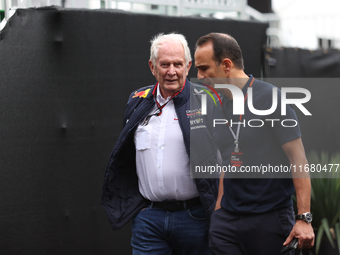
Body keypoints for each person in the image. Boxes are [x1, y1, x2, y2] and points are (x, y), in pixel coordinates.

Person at [194, 32, 315, 255]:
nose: (199, 76)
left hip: (270, 219)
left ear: (226, 64)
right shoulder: (219, 106)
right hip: (227, 223)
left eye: (204, 68)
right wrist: (219, 212)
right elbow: (227, 162)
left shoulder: (271, 98)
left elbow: (298, 159)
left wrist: (304, 218)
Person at [101, 32, 218, 255]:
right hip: (148, 218)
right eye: (164, 64)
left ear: (188, 66)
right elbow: (126, 155)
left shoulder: (208, 100)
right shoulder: (137, 100)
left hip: (195, 217)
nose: (171, 71)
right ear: (152, 66)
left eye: (177, 64)